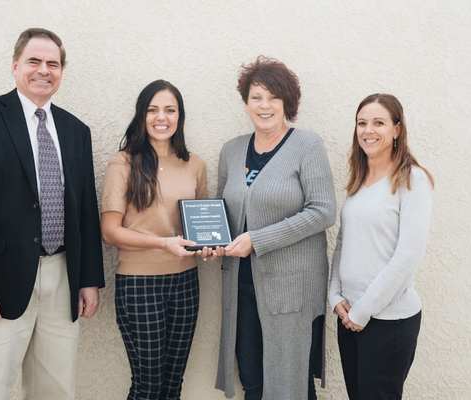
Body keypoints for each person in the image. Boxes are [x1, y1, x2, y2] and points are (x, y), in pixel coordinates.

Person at [0, 28, 104, 400]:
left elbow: (85, 210)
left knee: (55, 389)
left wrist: (88, 279)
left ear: (62, 71)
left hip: (62, 275)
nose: (43, 70)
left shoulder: (75, 130)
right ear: (16, 65)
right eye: (34, 61)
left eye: (53, 63)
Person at [215, 56, 337, 400]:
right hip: (241, 287)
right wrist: (209, 241)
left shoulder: (307, 146)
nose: (264, 105)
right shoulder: (232, 150)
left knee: (289, 384)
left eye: (273, 97)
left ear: (288, 102)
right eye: (256, 97)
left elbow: (324, 211)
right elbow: (221, 210)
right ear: (246, 102)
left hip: (290, 289)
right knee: (252, 380)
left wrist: (258, 239)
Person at [100, 80, 209, 400]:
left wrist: (210, 247)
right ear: (141, 115)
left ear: (180, 117)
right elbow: (109, 231)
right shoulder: (123, 163)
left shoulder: (195, 164)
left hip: (186, 282)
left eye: (170, 110)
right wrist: (163, 243)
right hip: (139, 284)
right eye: (153, 110)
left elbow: (199, 226)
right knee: (147, 386)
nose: (162, 117)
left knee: (173, 385)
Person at [328, 93, 434, 399]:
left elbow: (408, 256)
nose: (368, 130)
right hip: (349, 317)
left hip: (388, 322)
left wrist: (363, 310)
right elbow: (342, 244)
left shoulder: (413, 180)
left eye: (379, 123)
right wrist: (335, 296)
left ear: (397, 129)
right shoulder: (359, 181)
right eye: (362, 123)